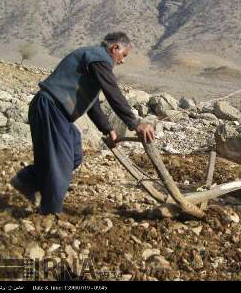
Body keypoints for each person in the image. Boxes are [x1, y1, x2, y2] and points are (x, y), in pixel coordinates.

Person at [10, 32, 155, 215]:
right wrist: (135, 123)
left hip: (56, 112)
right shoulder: (100, 58)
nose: (123, 61)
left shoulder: (94, 60)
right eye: (124, 55)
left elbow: (91, 101)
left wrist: (107, 128)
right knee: (61, 162)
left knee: (75, 154)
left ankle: (26, 181)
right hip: (51, 108)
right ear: (115, 48)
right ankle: (50, 213)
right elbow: (112, 91)